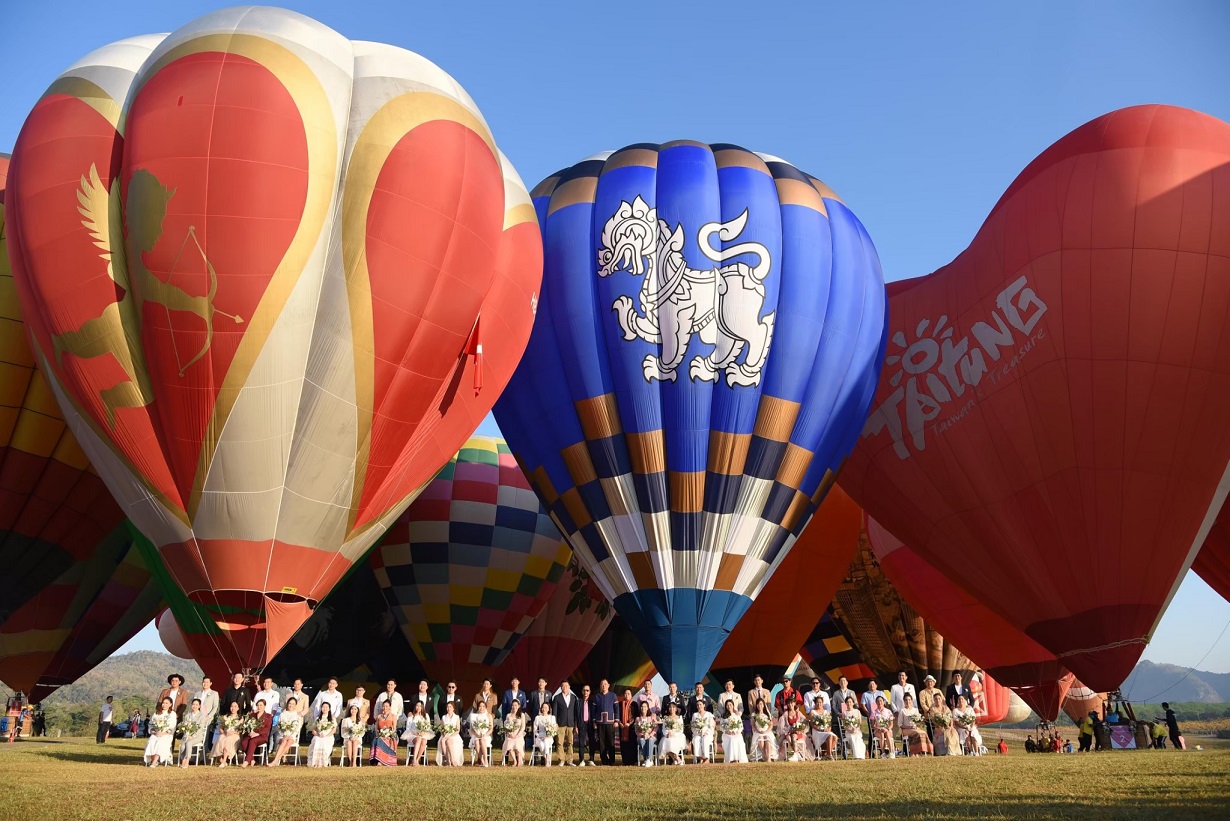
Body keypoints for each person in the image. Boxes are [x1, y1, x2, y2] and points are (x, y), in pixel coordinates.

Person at [551, 680, 582, 766]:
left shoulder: (573, 698)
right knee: (559, 742)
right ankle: (561, 760)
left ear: (569, 687)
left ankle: (569, 760)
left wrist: (575, 724)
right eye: (563, 686)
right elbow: (555, 712)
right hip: (560, 723)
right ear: (561, 687)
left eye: (566, 686)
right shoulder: (557, 698)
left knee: (570, 743)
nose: (564, 687)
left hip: (571, 723)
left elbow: (575, 712)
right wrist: (555, 723)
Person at [268, 696, 304, 766]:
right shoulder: (282, 714)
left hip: (292, 736)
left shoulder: (297, 715)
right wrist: (284, 734)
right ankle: (276, 760)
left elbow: (297, 728)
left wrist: (290, 735)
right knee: (284, 741)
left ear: (295, 705)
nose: (291, 705)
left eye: (293, 704)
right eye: (290, 703)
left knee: (289, 741)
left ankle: (275, 760)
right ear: (287, 704)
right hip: (282, 735)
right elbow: (279, 726)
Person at [591, 679, 618, 765]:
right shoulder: (597, 697)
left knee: (610, 741)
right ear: (600, 686)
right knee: (601, 742)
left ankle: (612, 760)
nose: (604, 686)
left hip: (610, 722)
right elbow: (593, 711)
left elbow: (616, 709)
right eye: (602, 684)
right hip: (600, 722)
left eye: (605, 684)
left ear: (608, 685)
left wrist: (616, 720)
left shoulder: (613, 696)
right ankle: (604, 760)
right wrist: (594, 721)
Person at [143, 696, 177, 766]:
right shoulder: (157, 713)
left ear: (170, 704)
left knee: (160, 742)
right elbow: (151, 725)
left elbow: (172, 727)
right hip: (156, 733)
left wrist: (163, 733)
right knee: (151, 741)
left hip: (166, 735)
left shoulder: (172, 714)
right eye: (163, 703)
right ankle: (152, 759)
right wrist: (154, 732)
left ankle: (154, 762)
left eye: (166, 703)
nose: (164, 705)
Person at [239, 699, 272, 767]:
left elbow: (267, 728)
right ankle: (252, 759)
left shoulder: (268, 716)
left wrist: (258, 733)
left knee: (252, 741)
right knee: (244, 742)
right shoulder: (252, 715)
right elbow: (248, 725)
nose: (259, 707)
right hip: (252, 734)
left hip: (262, 736)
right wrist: (250, 732)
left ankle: (246, 761)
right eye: (258, 705)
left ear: (264, 706)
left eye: (261, 705)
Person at [209, 701, 242, 765]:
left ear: (238, 708)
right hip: (225, 734)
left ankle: (224, 761)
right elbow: (221, 728)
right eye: (232, 706)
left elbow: (240, 731)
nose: (233, 708)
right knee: (220, 739)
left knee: (227, 741)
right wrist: (224, 732)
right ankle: (220, 759)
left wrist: (233, 732)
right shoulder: (226, 717)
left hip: (234, 735)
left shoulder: (240, 718)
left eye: (235, 706)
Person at [177, 698, 207, 767]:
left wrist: (193, 736)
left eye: (197, 705)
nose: (195, 706)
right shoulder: (187, 716)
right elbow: (184, 726)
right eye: (193, 704)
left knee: (189, 743)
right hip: (187, 735)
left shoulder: (202, 716)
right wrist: (187, 734)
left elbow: (200, 728)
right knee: (182, 746)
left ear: (199, 706)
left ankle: (187, 760)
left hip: (197, 736)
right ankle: (183, 759)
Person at [403, 701, 434, 766]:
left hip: (422, 734)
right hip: (412, 734)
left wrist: (423, 732)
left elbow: (428, 727)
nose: (418, 707)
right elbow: (408, 728)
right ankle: (414, 759)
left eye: (420, 706)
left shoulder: (426, 716)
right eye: (417, 705)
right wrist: (415, 733)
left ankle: (417, 760)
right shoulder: (411, 716)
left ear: (422, 707)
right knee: (418, 739)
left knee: (424, 741)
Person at [306, 701, 336, 767]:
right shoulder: (318, 718)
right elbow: (313, 729)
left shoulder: (332, 718)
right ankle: (315, 762)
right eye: (323, 707)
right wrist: (317, 734)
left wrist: (327, 735)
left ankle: (323, 762)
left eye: (326, 707)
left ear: (329, 709)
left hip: (328, 736)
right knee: (317, 740)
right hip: (319, 736)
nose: (324, 709)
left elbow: (334, 730)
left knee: (324, 742)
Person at [372, 700, 398, 766]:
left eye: (386, 706)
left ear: (389, 707)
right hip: (381, 735)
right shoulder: (379, 717)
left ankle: (381, 761)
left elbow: (394, 729)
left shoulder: (393, 716)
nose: (385, 708)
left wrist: (388, 734)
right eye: (383, 706)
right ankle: (376, 759)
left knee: (381, 740)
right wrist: (379, 733)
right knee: (376, 739)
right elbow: (377, 728)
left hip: (391, 735)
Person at [500, 700, 526, 766]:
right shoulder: (508, 715)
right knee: (509, 744)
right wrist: (509, 733)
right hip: (510, 735)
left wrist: (517, 735)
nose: (514, 707)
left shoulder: (522, 715)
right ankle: (515, 761)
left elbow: (523, 727)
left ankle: (519, 761)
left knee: (517, 745)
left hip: (518, 735)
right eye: (513, 705)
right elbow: (506, 726)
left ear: (519, 706)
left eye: (516, 705)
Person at [194, 677, 219, 746]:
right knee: (194, 735)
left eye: (207, 682)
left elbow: (215, 707)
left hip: (207, 718)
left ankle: (203, 755)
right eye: (204, 682)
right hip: (197, 718)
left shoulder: (214, 693)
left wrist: (209, 716)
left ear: (210, 683)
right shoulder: (197, 694)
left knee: (205, 736)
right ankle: (193, 755)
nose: (205, 684)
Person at [632, 700, 658, 766]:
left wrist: (650, 735)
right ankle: (646, 759)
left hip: (651, 736)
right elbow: (636, 730)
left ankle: (649, 759)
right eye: (642, 706)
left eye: (645, 706)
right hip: (641, 737)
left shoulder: (651, 717)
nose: (643, 708)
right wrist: (642, 735)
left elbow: (655, 728)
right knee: (641, 740)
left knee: (650, 740)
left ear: (647, 708)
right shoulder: (638, 719)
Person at [839, 695, 865, 760]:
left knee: (858, 739)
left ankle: (861, 756)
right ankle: (856, 756)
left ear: (853, 703)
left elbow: (859, 722)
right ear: (845, 703)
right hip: (848, 731)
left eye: (850, 702)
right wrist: (849, 730)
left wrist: (855, 729)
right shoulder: (844, 713)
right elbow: (844, 724)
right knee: (853, 738)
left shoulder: (857, 711)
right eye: (847, 702)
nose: (849, 703)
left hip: (856, 730)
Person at [690, 697, 715, 763]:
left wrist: (707, 733)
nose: (699, 706)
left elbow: (711, 726)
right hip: (698, 734)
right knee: (696, 740)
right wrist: (697, 732)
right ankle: (700, 758)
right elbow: (693, 726)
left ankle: (707, 758)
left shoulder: (709, 714)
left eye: (700, 704)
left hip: (707, 734)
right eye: (697, 705)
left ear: (704, 705)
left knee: (705, 739)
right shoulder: (695, 715)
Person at [438, 700, 463, 766]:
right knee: (443, 740)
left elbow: (457, 730)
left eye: (450, 707)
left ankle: (451, 760)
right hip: (445, 735)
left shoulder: (457, 717)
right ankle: (448, 759)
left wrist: (450, 735)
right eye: (447, 707)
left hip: (454, 735)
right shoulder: (444, 717)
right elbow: (442, 729)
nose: (448, 708)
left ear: (453, 708)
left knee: (448, 741)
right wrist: (444, 735)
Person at [870, 694, 895, 759]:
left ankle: (891, 752)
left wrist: (887, 729)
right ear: (876, 703)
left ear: (883, 702)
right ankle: (883, 753)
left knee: (887, 734)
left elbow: (891, 724)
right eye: (878, 701)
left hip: (887, 729)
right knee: (881, 734)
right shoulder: (874, 712)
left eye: (881, 701)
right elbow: (872, 725)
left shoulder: (888, 711)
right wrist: (878, 728)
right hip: (878, 730)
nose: (879, 702)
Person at [532, 702, 557, 766]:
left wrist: (549, 735)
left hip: (549, 737)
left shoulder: (552, 717)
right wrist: (538, 736)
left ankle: (547, 758)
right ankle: (547, 758)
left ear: (548, 709)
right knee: (541, 744)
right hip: (540, 736)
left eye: (546, 707)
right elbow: (534, 729)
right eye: (543, 707)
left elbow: (554, 729)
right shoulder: (538, 717)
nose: (544, 709)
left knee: (546, 740)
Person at [618, 687, 638, 766]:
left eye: (628, 694)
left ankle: (633, 760)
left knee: (632, 744)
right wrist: (620, 723)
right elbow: (617, 714)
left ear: (631, 695)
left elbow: (636, 715)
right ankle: (625, 760)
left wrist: (629, 723)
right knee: (623, 744)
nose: (627, 695)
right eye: (625, 694)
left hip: (631, 727)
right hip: (622, 727)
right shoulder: (620, 704)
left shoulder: (634, 704)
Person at [470, 701, 494, 767]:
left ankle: (486, 759)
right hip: (476, 735)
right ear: (478, 707)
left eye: (483, 706)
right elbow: (471, 729)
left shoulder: (489, 716)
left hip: (486, 735)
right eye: (480, 706)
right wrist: (477, 734)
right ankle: (482, 760)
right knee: (477, 741)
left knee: (482, 740)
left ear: (486, 707)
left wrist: (485, 734)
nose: (481, 708)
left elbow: (491, 728)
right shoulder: (475, 716)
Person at [576, 684, 594, 765]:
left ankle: (591, 759)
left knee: (592, 742)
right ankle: (581, 760)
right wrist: (576, 725)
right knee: (581, 742)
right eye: (584, 690)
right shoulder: (578, 702)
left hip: (591, 724)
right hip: (581, 723)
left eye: (587, 690)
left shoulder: (592, 702)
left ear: (590, 692)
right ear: (582, 692)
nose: (585, 692)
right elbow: (575, 714)